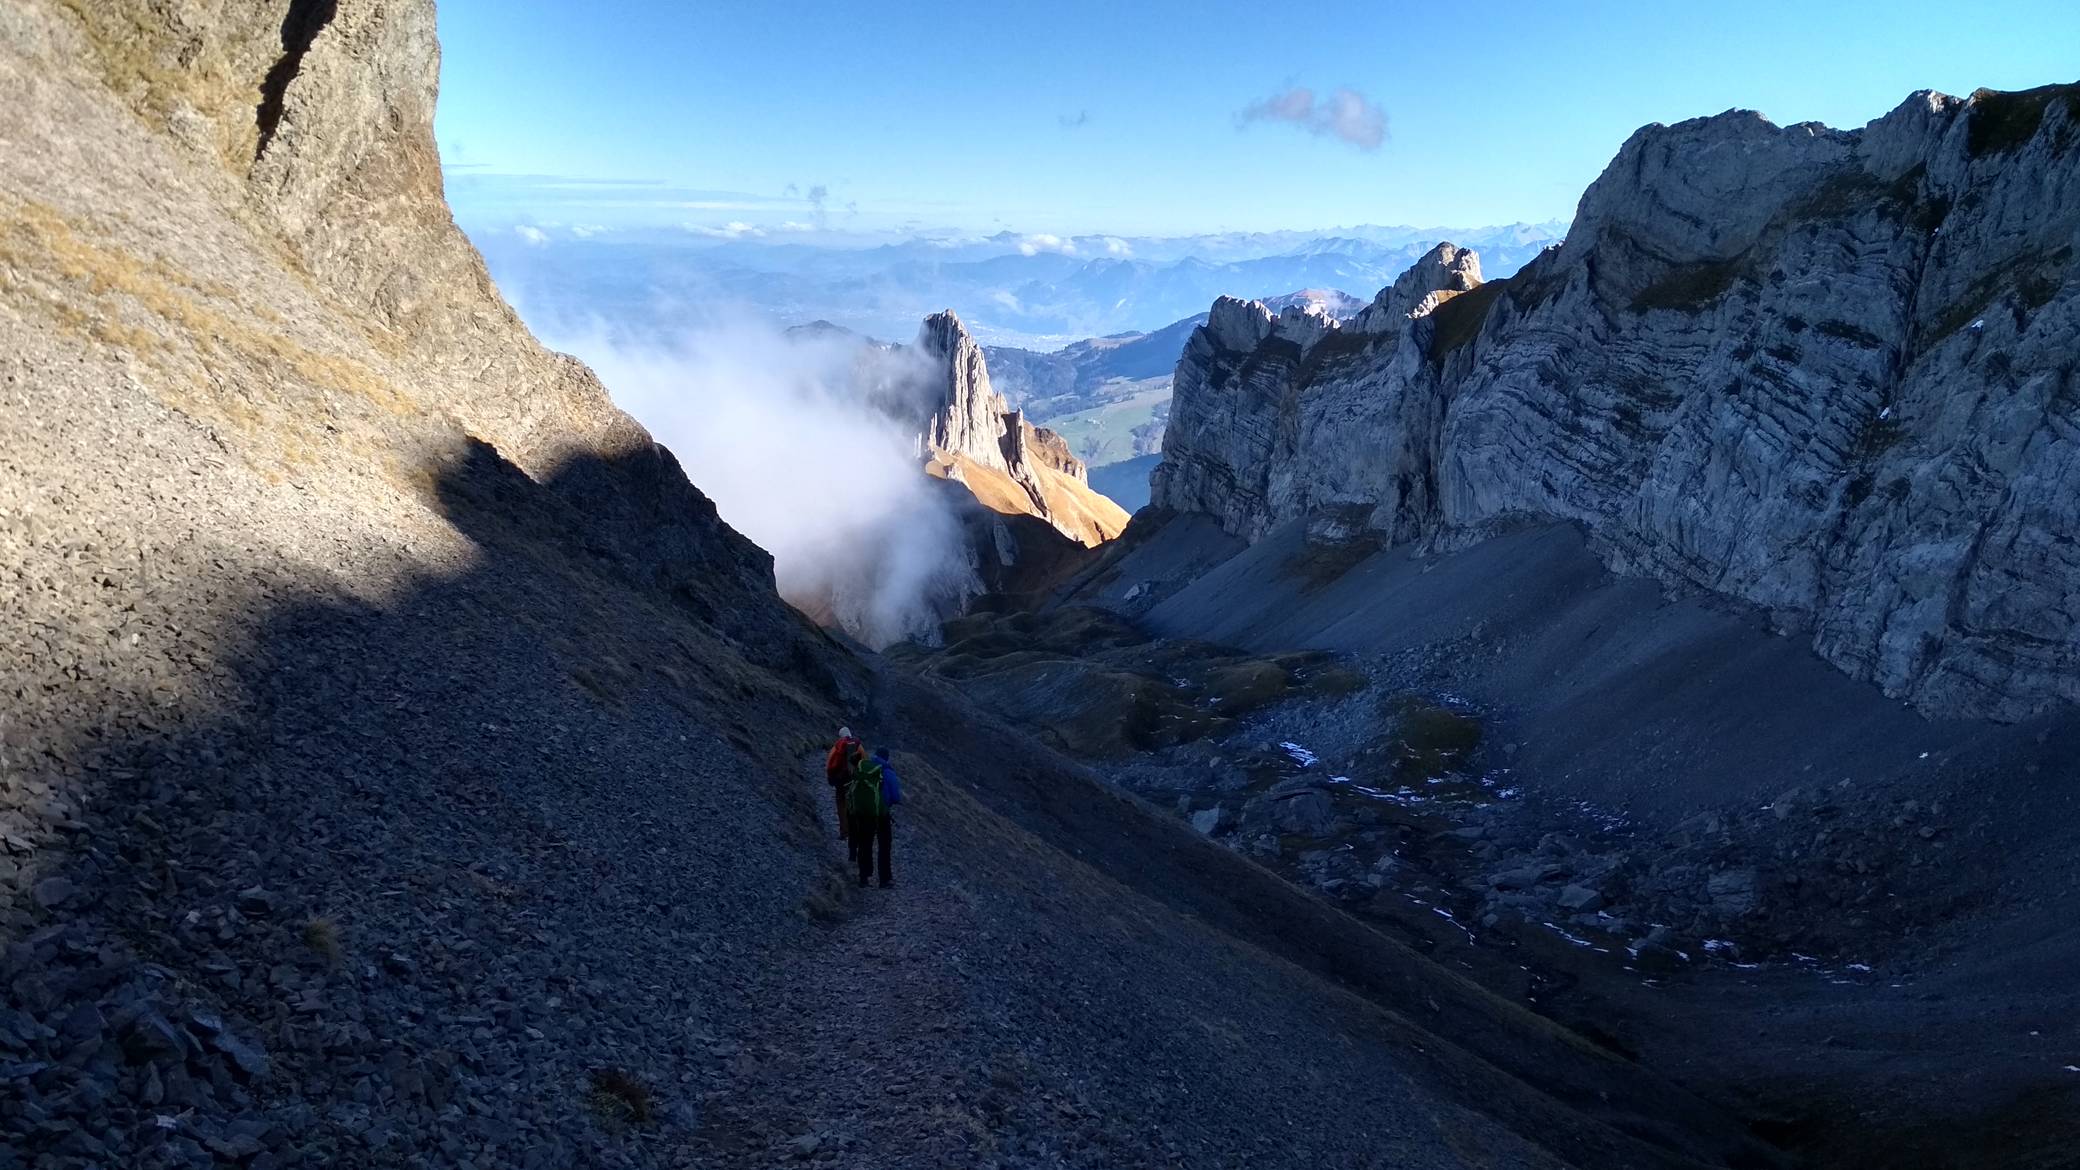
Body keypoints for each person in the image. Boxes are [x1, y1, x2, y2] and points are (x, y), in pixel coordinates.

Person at [849, 746, 903, 888]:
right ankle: (884, 879)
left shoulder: (865, 767)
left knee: (864, 842)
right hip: (882, 813)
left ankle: (863, 877)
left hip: (864, 811)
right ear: (887, 757)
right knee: (884, 845)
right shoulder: (887, 771)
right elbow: (896, 797)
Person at [825, 727, 862, 858]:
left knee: (841, 805)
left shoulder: (838, 746)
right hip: (854, 780)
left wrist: (831, 778)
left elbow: (830, 763)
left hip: (840, 780)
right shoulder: (857, 745)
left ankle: (844, 832)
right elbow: (865, 762)